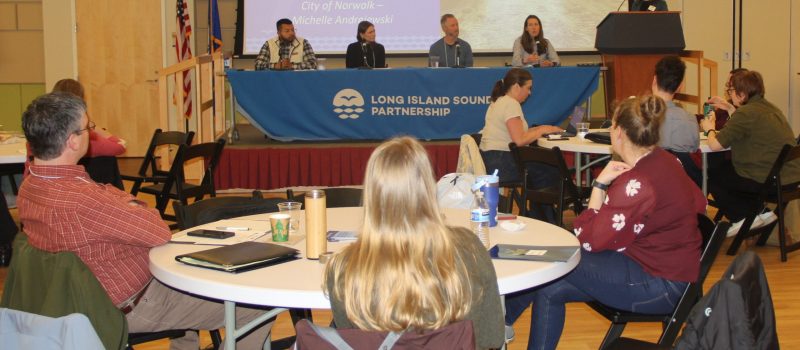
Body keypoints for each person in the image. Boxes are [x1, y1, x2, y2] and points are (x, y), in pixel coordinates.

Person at [17, 92, 274, 349]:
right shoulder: (83, 201)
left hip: (72, 301)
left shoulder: (30, 187)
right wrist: (129, 203)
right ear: (72, 141)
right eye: (88, 128)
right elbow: (158, 231)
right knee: (256, 304)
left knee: (187, 278)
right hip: (128, 305)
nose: (92, 134)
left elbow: (111, 204)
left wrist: (120, 203)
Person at [504, 95, 706, 350]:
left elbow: (587, 240)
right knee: (551, 287)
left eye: (611, 126)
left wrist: (599, 186)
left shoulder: (637, 183)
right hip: (670, 274)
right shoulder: (667, 160)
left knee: (557, 258)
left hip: (659, 286)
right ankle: (505, 320)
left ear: (619, 133)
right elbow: (700, 204)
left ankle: (503, 319)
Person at [324, 136, 504, 350]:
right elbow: (492, 338)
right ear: (428, 188)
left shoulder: (342, 267)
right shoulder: (469, 249)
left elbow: (352, 340)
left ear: (371, 192)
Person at [700, 70, 800, 235]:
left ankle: (742, 216)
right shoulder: (769, 108)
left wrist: (709, 128)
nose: (729, 94)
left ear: (741, 94)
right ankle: (759, 212)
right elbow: (747, 124)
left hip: (771, 180)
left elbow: (715, 145)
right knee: (725, 169)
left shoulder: (746, 113)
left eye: (731, 91)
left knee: (711, 172)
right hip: (790, 175)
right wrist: (731, 108)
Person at [478, 68, 562, 221]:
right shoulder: (511, 104)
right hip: (501, 162)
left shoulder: (499, 102)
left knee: (540, 172)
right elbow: (519, 140)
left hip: (492, 160)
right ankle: (546, 218)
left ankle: (543, 217)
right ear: (517, 86)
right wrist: (543, 129)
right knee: (551, 171)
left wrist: (538, 129)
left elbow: (515, 133)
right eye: (528, 88)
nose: (529, 93)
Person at [651, 56, 701, 186]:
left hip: (648, 186)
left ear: (654, 80)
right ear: (680, 86)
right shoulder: (690, 119)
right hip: (683, 187)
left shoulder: (638, 115)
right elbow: (693, 152)